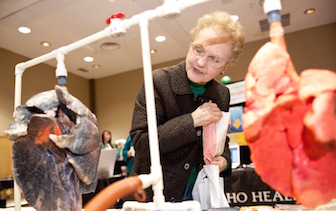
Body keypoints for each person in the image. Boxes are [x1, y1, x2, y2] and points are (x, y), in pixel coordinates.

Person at [129, 11, 245, 202]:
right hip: (152, 194)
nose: (200, 62)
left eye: (214, 59)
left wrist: (224, 161)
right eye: (198, 50)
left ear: (226, 66)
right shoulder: (158, 82)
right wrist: (192, 121)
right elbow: (141, 143)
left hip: (198, 192)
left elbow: (220, 141)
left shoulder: (222, 94)